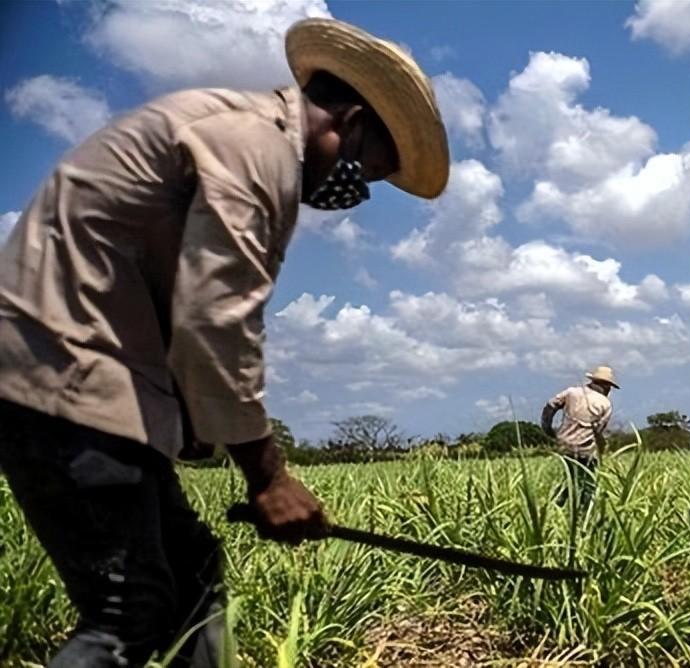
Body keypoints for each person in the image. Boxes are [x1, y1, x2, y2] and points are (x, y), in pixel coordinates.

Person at [0, 17, 448, 667]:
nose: (355, 191)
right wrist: (269, 477)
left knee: (191, 576)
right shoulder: (255, 147)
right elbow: (215, 319)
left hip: (85, 376)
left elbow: (168, 290)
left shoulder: (236, 131)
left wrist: (186, 414)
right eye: (367, 170)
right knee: (128, 615)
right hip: (62, 377)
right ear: (349, 123)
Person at [541, 366, 618, 508]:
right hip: (586, 450)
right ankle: (584, 512)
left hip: (564, 446)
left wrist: (548, 430)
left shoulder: (572, 392)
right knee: (588, 484)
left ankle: (553, 508)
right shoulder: (605, 404)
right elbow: (599, 431)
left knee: (567, 480)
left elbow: (550, 407)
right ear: (606, 386)